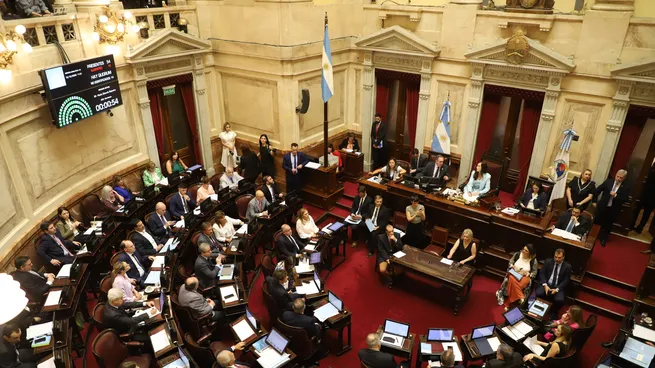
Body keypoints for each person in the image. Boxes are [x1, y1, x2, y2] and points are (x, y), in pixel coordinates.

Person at [496, 244, 538, 310]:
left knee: (516, 284)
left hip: (524, 276)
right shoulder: (517, 254)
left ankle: (508, 303)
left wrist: (529, 274)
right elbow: (510, 263)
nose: (523, 251)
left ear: (530, 252)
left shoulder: (533, 260)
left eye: (526, 251)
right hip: (513, 273)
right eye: (523, 249)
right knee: (512, 279)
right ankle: (520, 297)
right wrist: (512, 266)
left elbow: (534, 272)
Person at [595, 169, 630, 246]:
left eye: (621, 177)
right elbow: (598, 190)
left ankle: (604, 239)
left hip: (613, 209)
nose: (618, 179)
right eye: (617, 176)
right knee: (597, 221)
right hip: (603, 206)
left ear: (624, 178)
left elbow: (625, 199)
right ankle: (594, 235)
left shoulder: (626, 187)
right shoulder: (608, 182)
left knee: (608, 225)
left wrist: (616, 196)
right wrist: (594, 201)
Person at [536, 249, 571, 317]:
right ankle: (538, 308)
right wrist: (545, 285)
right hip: (546, 284)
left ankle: (553, 312)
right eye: (555, 257)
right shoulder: (548, 261)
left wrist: (557, 289)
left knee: (560, 300)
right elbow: (542, 273)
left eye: (559, 257)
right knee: (538, 293)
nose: (557, 259)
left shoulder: (567, 267)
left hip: (558, 286)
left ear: (563, 257)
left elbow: (566, 280)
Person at [632, 159, 655, 234]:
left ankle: (635, 226)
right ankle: (638, 227)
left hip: (647, 195)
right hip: (646, 195)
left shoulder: (649, 171)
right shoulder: (648, 170)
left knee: (641, 211)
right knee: (644, 213)